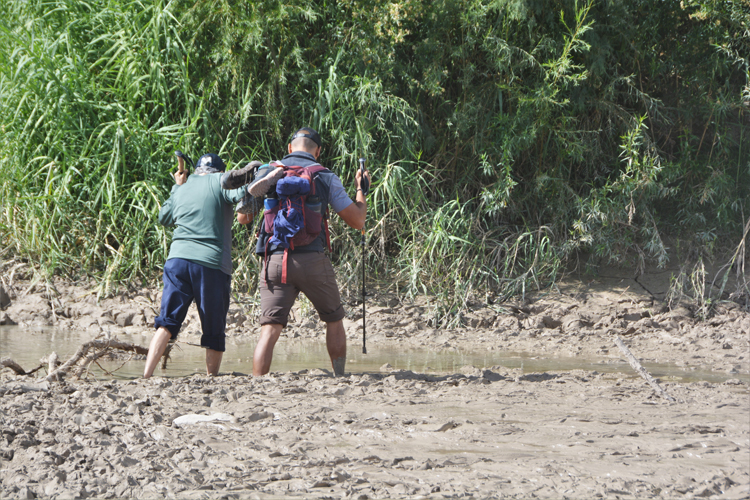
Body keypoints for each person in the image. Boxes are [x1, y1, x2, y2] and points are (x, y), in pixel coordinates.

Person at [235, 127, 370, 377]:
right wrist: (361, 189)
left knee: (270, 328)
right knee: (334, 319)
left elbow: (243, 218)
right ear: (317, 152)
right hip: (312, 261)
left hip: (275, 260)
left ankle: (257, 382)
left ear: (289, 148)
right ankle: (339, 376)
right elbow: (358, 220)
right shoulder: (325, 176)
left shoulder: (269, 170)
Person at [143, 153, 246, 378]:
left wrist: (177, 186)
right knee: (213, 327)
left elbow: (164, 218)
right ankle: (211, 378)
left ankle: (146, 375)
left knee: (167, 322)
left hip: (177, 261)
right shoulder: (222, 182)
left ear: (197, 170)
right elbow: (242, 195)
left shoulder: (183, 187)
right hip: (211, 264)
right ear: (221, 171)